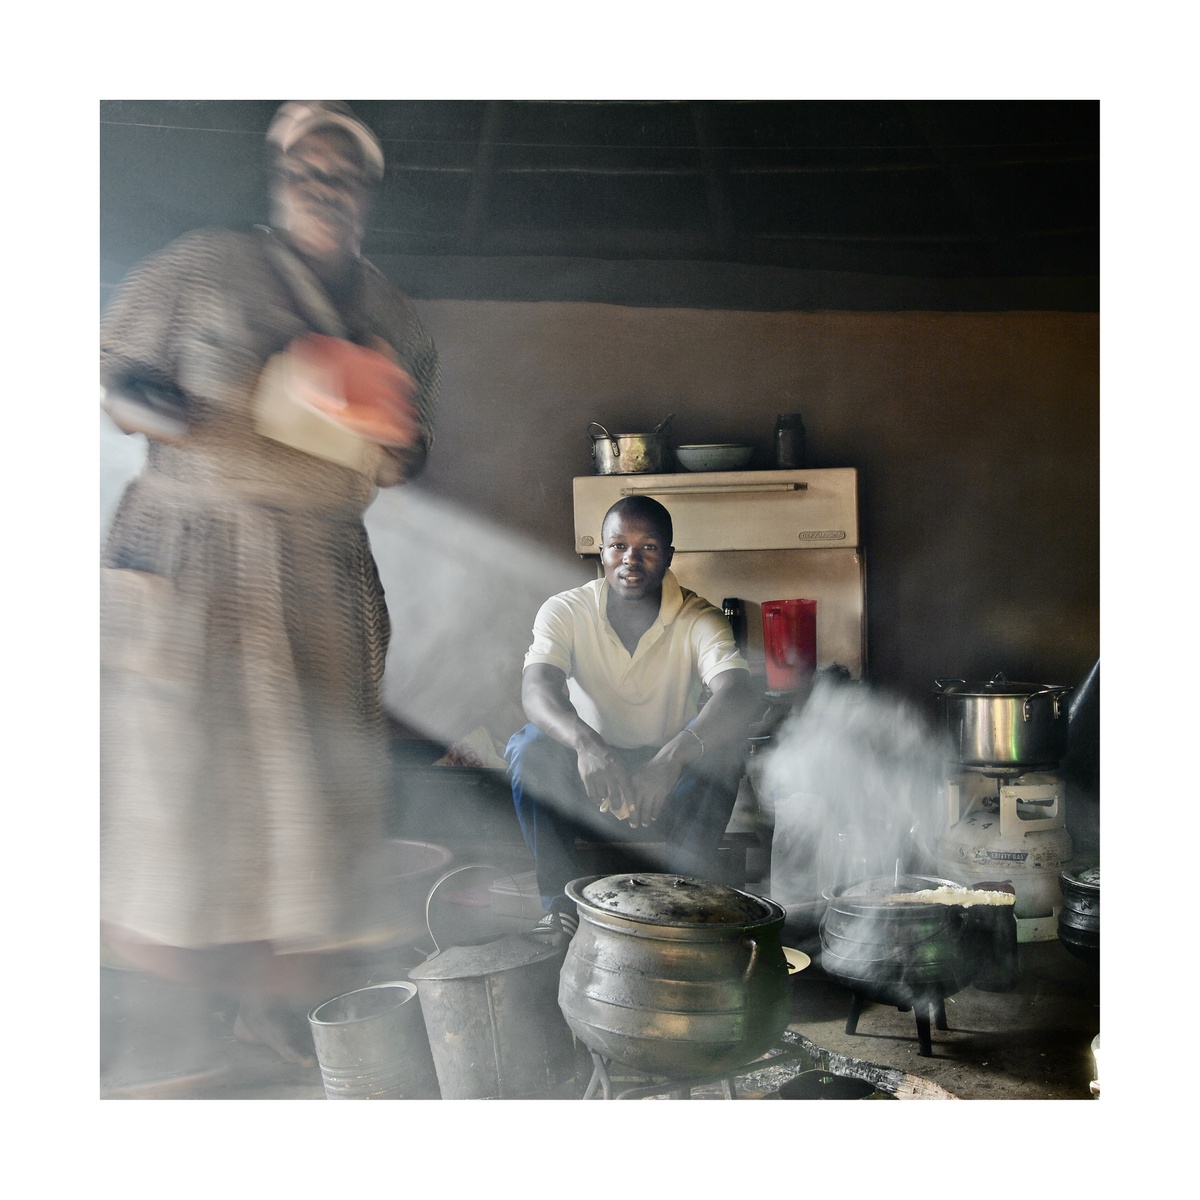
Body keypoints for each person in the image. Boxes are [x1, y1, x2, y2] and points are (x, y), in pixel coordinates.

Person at [99, 101, 439, 1067]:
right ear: (279, 182)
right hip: (193, 556)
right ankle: (168, 1014)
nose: (323, 191)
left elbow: (411, 454)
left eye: (343, 178)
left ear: (369, 195)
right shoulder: (201, 267)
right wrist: (167, 409)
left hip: (318, 572)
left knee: (311, 796)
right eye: (305, 174)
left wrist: (385, 434)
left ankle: (281, 1001)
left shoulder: (394, 317)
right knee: (186, 785)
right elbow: (113, 378)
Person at [506, 495, 758, 934]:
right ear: (601, 551)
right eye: (619, 546)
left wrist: (671, 759)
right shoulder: (566, 609)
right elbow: (536, 688)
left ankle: (683, 904)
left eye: (649, 547)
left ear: (669, 556)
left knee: (724, 751)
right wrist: (587, 745)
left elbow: (737, 693)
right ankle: (562, 909)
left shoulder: (698, 616)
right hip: (591, 781)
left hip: (667, 787)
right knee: (529, 748)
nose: (631, 560)